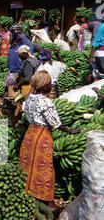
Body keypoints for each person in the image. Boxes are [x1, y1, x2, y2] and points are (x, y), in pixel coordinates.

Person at [19, 70, 81, 211]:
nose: (50, 86)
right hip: (42, 136)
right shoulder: (45, 101)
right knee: (45, 168)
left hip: (29, 135)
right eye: (49, 83)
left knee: (28, 166)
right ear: (45, 86)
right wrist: (71, 131)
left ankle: (28, 193)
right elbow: (55, 122)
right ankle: (49, 202)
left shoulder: (28, 99)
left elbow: (25, 114)